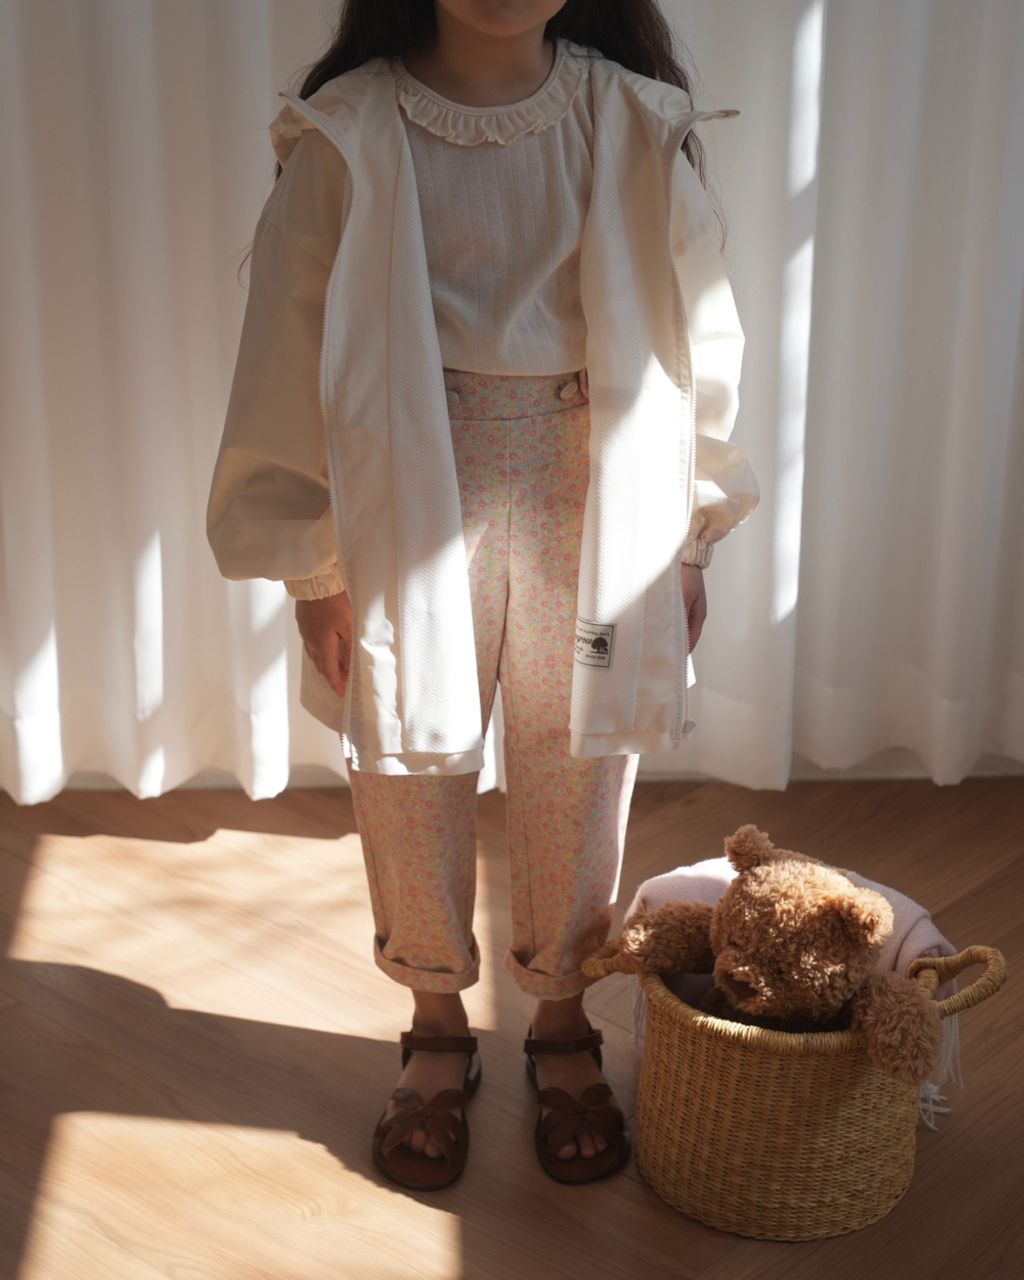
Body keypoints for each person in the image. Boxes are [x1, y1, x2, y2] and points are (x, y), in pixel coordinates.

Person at [206, 0, 760, 1191]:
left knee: (580, 754)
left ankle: (560, 1014)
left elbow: (698, 331)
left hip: (598, 497)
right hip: (407, 487)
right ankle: (434, 1019)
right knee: (409, 756)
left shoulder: (630, 118)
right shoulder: (352, 131)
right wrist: (313, 564)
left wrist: (691, 532)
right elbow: (285, 348)